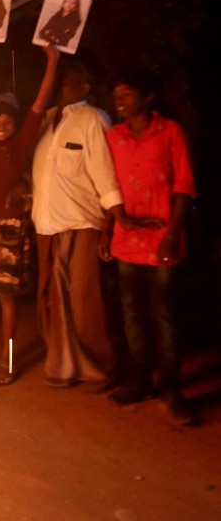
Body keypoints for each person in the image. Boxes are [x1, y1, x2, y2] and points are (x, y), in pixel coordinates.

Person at [31, 62, 149, 390]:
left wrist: (114, 220)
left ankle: (101, 366)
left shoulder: (94, 119)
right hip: (47, 222)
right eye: (62, 80)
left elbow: (104, 172)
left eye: (73, 82)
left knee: (85, 300)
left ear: (86, 89)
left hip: (81, 222)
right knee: (53, 298)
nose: (64, 86)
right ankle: (64, 365)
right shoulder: (47, 116)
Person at [100, 72, 196, 424]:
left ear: (148, 97)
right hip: (126, 238)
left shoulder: (169, 131)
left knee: (164, 314)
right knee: (131, 313)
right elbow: (108, 186)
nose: (119, 100)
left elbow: (184, 184)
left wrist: (173, 231)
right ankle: (140, 381)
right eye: (116, 94)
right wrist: (105, 230)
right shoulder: (114, 136)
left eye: (126, 93)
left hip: (161, 238)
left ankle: (171, 388)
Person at [0, 36, 58, 385]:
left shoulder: (21, 145)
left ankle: (7, 359)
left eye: (8, 120)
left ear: (16, 125)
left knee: (5, 296)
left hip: (8, 227)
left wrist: (51, 60)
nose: (1, 124)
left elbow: (39, 104)